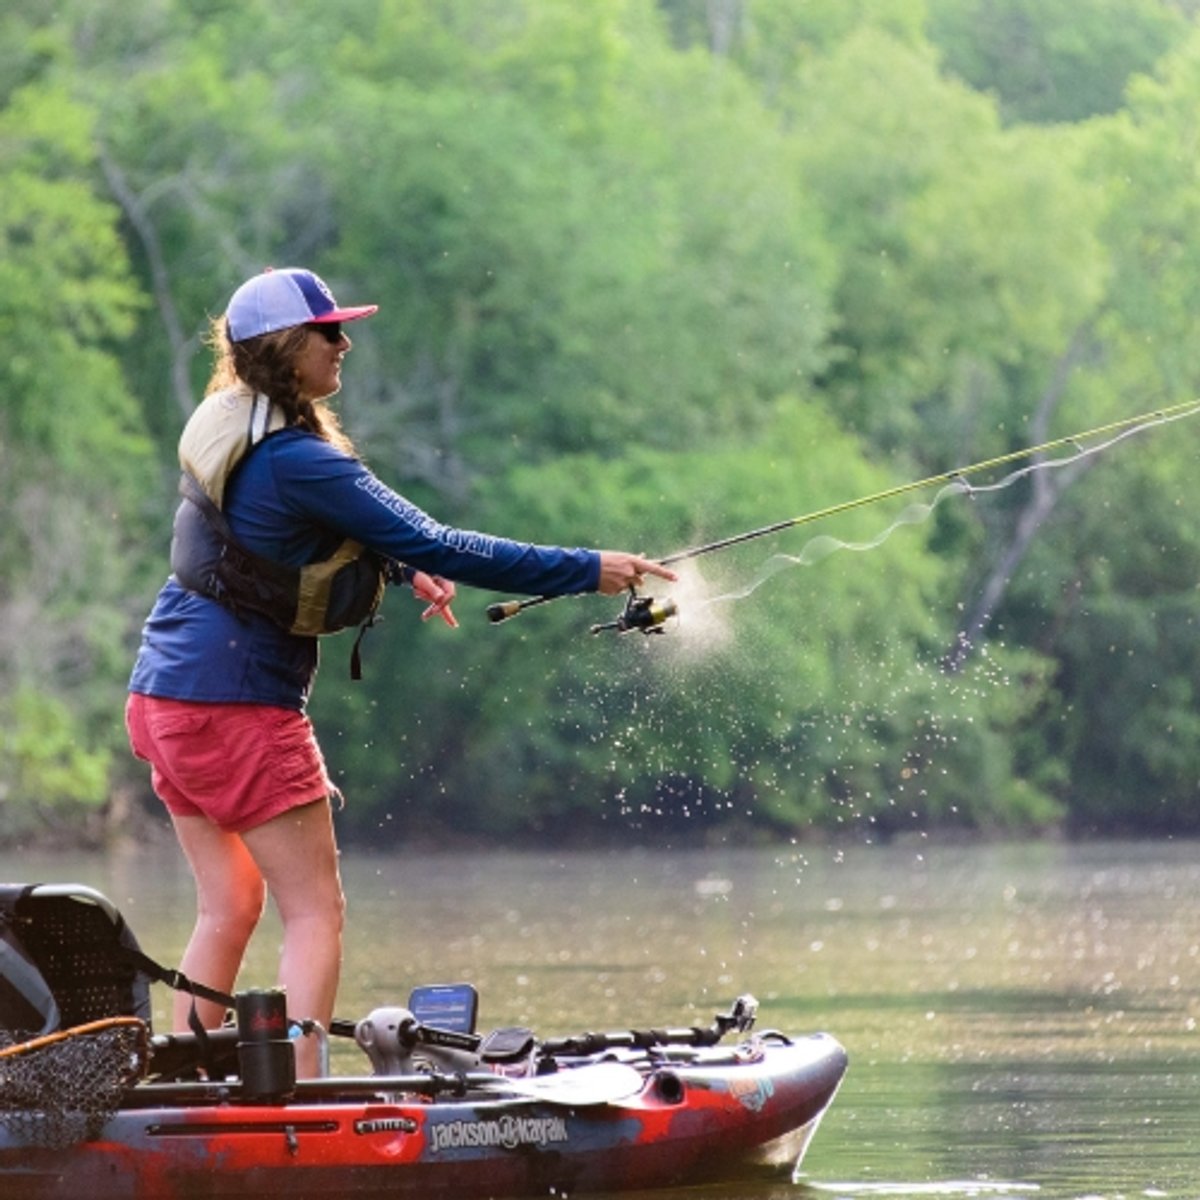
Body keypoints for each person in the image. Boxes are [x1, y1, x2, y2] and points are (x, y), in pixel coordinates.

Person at [126, 266, 675, 1077]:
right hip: (237, 706)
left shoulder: (242, 429)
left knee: (230, 903)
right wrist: (583, 568)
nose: (344, 343)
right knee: (316, 912)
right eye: (329, 333)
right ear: (286, 350)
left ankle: (188, 1079)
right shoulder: (302, 460)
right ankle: (299, 1104)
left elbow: (275, 542)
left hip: (164, 697)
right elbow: (447, 543)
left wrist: (391, 567)